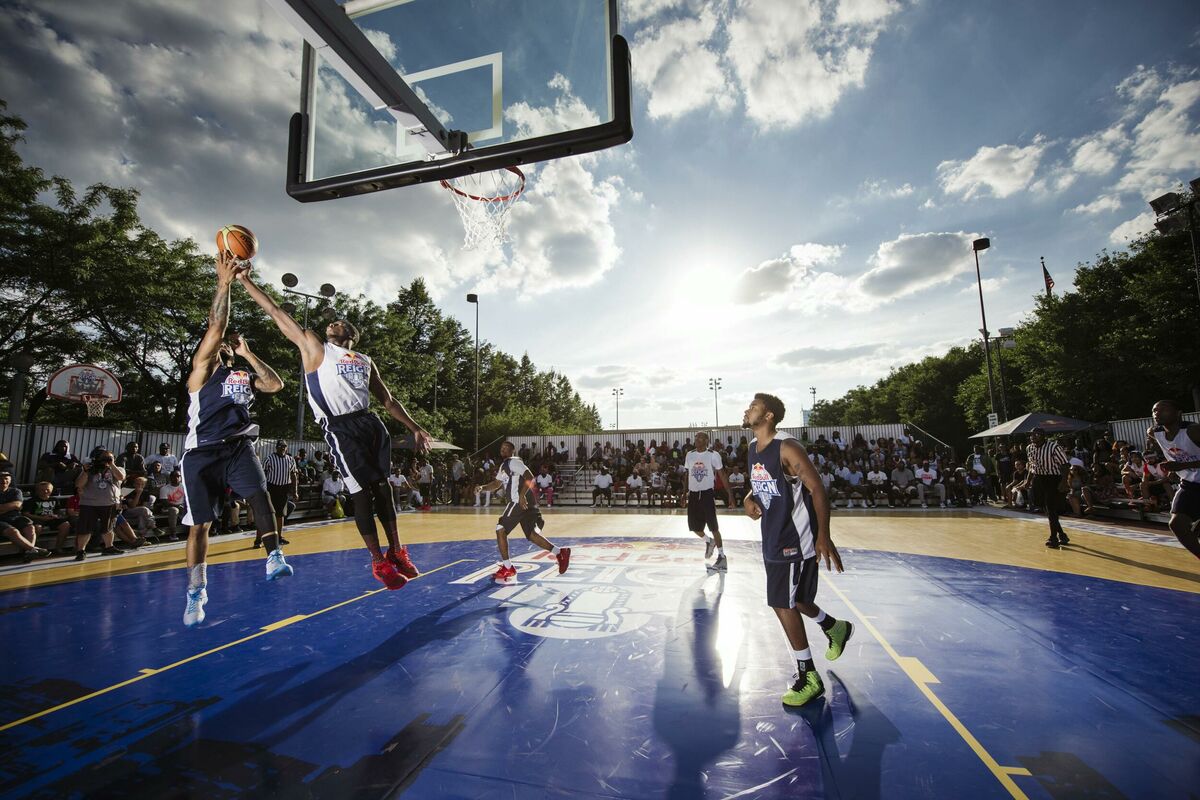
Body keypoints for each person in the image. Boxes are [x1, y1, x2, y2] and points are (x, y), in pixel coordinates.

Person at [237, 264, 431, 589]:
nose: (331, 323)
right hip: (340, 427)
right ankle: (378, 561)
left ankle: (397, 550)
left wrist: (415, 428)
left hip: (370, 423)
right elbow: (275, 311)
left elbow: (388, 400)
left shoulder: (365, 360)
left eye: (338, 322)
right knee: (361, 494)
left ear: (350, 334)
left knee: (383, 489)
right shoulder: (315, 347)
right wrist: (245, 280)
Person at [178, 252, 292, 627]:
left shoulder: (241, 376)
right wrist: (224, 282)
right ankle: (197, 590)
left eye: (228, 344)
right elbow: (216, 325)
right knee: (201, 525)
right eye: (221, 343)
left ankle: (274, 556)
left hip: (239, 448)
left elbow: (274, 384)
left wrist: (248, 352)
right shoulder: (202, 371)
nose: (225, 343)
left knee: (260, 496)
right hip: (202, 453)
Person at [742, 393, 852, 707]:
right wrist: (749, 498)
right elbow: (764, 482)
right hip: (772, 535)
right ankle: (835, 627)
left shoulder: (787, 447)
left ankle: (809, 677)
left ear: (769, 416)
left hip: (793, 538)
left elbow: (816, 488)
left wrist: (823, 536)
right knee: (798, 599)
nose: (748, 410)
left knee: (782, 602)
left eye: (754, 407)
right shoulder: (753, 448)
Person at [475, 441, 570, 585]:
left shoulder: (514, 462)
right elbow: (496, 484)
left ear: (512, 451)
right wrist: (482, 487)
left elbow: (530, 477)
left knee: (500, 529)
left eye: (506, 448)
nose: (503, 449)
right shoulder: (504, 466)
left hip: (517, 502)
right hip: (526, 503)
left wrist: (521, 495)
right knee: (532, 535)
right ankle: (560, 553)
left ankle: (508, 568)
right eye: (502, 448)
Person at [1147, 400, 1200, 559]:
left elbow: (1182, 459)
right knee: (1177, 524)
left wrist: (1182, 465)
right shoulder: (1154, 432)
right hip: (1191, 483)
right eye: (1155, 410)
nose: (1157, 413)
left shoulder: (1193, 431)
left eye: (1163, 409)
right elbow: (1174, 451)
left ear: (1178, 413)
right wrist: (1172, 467)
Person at [682, 432, 734, 572]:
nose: (697, 440)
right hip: (693, 494)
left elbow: (722, 475)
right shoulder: (689, 455)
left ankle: (722, 557)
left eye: (700, 438)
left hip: (707, 494)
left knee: (713, 527)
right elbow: (687, 474)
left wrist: (730, 495)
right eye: (696, 437)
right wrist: (684, 493)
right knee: (694, 527)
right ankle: (709, 541)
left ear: (707, 440)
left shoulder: (713, 455)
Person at [1024, 427, 1071, 549]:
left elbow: (1065, 465)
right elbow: (1032, 466)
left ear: (1043, 436)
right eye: (1031, 435)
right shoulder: (1029, 448)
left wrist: (1064, 482)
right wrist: (1028, 481)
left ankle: (1053, 538)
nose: (1033, 437)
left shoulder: (1054, 447)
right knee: (1046, 508)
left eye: (1036, 434)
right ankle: (1062, 535)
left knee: (1051, 508)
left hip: (1053, 479)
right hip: (1039, 478)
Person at [73, 451, 124, 560]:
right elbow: (78, 484)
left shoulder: (115, 469)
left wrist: (112, 464)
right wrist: (85, 471)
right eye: (104, 458)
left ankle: (109, 547)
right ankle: (81, 551)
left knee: (108, 527)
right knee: (85, 529)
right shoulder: (90, 469)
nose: (106, 460)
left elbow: (120, 477)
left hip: (108, 503)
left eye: (109, 458)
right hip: (89, 503)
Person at [0, 472, 50, 562]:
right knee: (13, 531)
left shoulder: (16, 491)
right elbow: (15, 505)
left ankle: (29, 553)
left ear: (10, 480)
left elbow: (18, 504)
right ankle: (33, 550)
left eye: (6, 478)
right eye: (1, 479)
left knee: (30, 527)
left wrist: (4, 508)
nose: (4, 481)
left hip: (15, 517)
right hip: (1, 520)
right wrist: (12, 506)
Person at [260, 440, 298, 549]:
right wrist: (262, 489)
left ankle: (279, 537)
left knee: (280, 514)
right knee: (268, 514)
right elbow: (263, 474)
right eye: (281, 446)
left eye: (285, 446)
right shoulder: (269, 459)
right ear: (276, 447)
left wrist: (295, 491)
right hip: (271, 488)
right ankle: (263, 538)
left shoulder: (290, 459)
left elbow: (294, 475)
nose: (283, 448)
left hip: (284, 488)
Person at [23, 481, 72, 554]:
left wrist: (56, 516)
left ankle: (58, 548)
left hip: (51, 519)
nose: (45, 491)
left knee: (66, 525)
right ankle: (33, 549)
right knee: (37, 527)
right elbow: (25, 514)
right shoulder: (31, 501)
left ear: (51, 490)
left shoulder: (54, 500)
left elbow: (58, 512)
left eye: (47, 489)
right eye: (42, 490)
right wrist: (41, 518)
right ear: (37, 491)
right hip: (37, 519)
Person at [156, 470, 186, 539]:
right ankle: (173, 534)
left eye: (178, 476)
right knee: (174, 510)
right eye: (174, 476)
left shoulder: (184, 486)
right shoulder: (164, 488)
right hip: (167, 508)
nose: (177, 478)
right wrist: (178, 506)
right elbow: (165, 503)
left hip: (181, 507)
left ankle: (195, 531)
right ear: (170, 478)